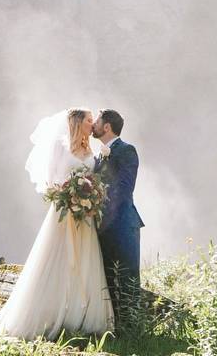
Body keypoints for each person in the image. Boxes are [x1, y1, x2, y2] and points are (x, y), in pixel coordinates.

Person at [0, 108, 114, 348]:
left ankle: (80, 316)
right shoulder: (61, 146)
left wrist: (90, 197)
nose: (93, 124)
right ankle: (43, 316)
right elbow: (51, 181)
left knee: (85, 262)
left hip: (85, 217)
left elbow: (97, 179)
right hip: (63, 214)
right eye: (90, 120)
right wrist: (69, 195)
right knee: (55, 261)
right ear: (78, 122)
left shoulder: (93, 151)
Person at [92, 109, 144, 333]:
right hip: (103, 226)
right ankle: (114, 328)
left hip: (123, 224)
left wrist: (97, 202)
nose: (92, 125)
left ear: (106, 127)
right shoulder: (97, 156)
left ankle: (133, 330)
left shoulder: (126, 150)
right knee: (107, 276)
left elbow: (124, 188)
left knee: (128, 276)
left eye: (96, 121)